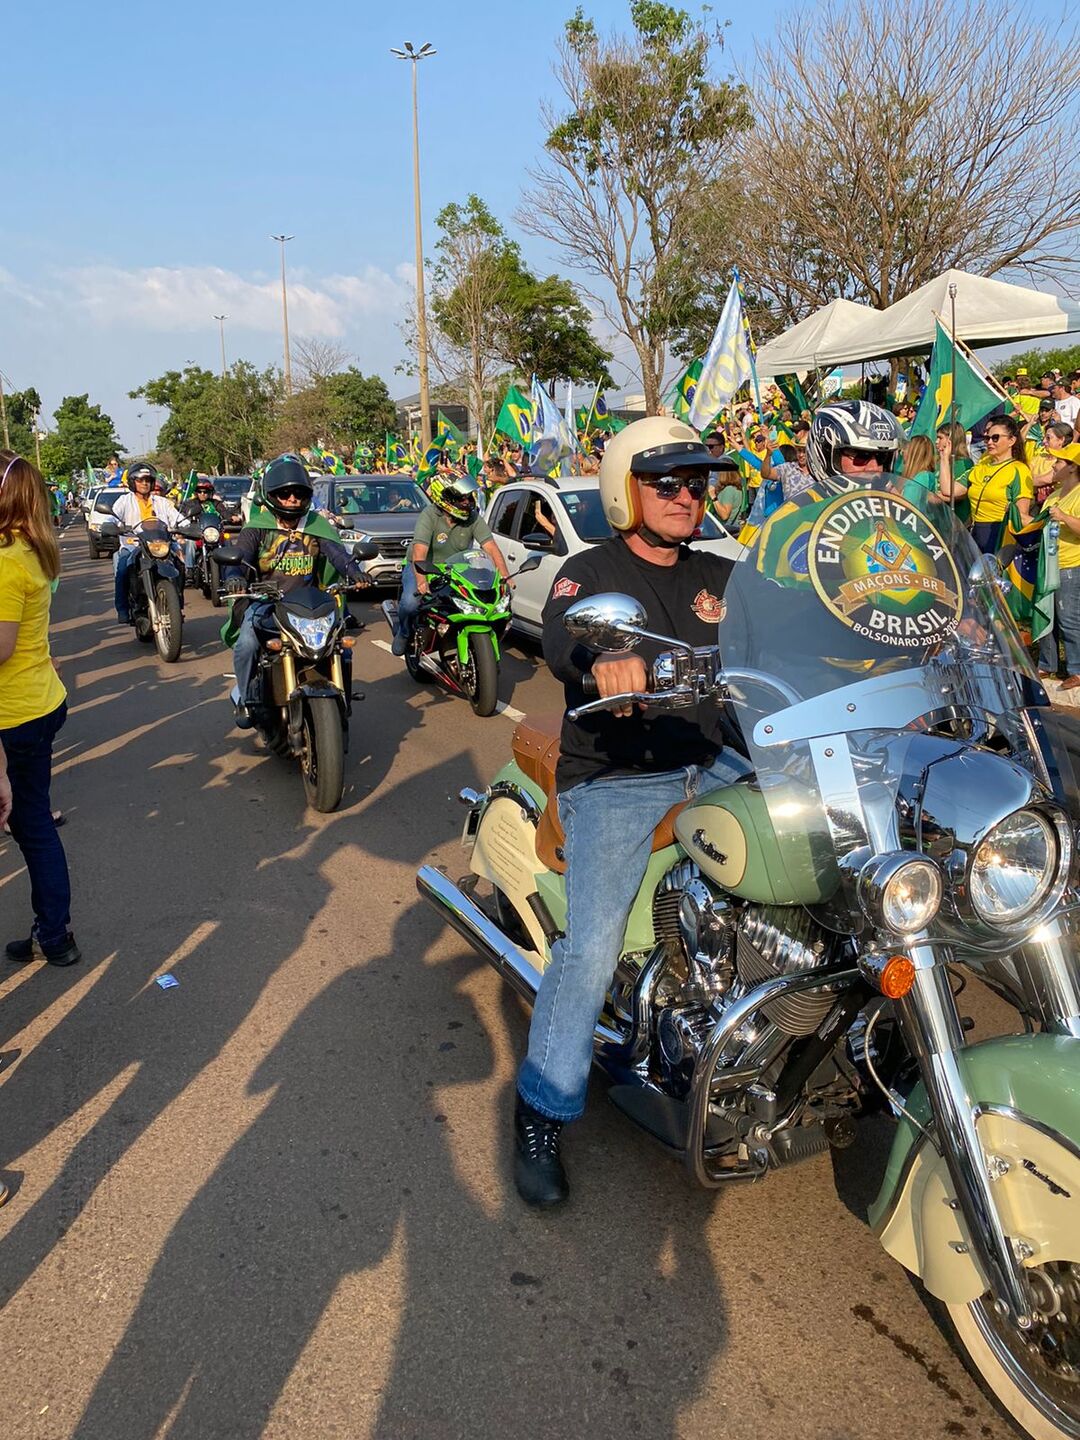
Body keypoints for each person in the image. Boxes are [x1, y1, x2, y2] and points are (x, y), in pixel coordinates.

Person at [513, 417, 752, 1208]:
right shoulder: (591, 570)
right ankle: (542, 1110)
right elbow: (562, 638)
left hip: (715, 762)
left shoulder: (723, 572)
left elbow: (794, 626)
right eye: (668, 482)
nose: (688, 495)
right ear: (627, 491)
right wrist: (601, 660)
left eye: (697, 481)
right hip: (618, 776)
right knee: (591, 946)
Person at [0, 450, 78, 972]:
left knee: (31, 826)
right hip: (41, 700)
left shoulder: (6, 560)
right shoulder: (32, 547)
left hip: (16, 713)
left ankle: (53, 933)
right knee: (33, 824)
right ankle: (52, 932)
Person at [222, 455, 368, 728]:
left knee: (341, 648)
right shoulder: (257, 528)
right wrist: (233, 578)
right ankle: (246, 697)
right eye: (284, 493)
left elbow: (337, 555)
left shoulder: (315, 526)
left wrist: (355, 572)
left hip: (309, 604)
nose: (292, 499)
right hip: (266, 603)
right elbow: (240, 558)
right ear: (271, 496)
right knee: (247, 644)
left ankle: (342, 703)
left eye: (299, 493)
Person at [391, 474, 512, 656]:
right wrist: (422, 581)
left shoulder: (473, 517)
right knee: (411, 602)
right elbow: (419, 552)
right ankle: (404, 632)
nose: (467, 502)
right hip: (424, 566)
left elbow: (491, 548)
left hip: (457, 568)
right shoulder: (429, 515)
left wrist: (504, 576)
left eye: (469, 497)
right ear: (445, 498)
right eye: (461, 498)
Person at [109, 464, 186, 624]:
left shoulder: (162, 502)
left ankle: (177, 605)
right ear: (132, 482)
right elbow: (112, 517)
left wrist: (188, 526)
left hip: (160, 543)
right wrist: (110, 525)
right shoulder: (124, 501)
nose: (145, 483)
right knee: (123, 568)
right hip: (133, 544)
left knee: (179, 564)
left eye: (148, 480)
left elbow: (177, 517)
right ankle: (123, 609)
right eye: (140, 480)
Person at [944, 414, 1032, 553]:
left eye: (995, 438)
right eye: (987, 438)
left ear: (1011, 440)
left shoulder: (1019, 470)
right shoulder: (982, 464)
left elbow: (1020, 516)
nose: (990, 442)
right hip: (974, 532)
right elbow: (949, 491)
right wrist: (944, 457)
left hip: (999, 535)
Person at [1038, 444, 1080, 688]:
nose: (1053, 464)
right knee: (1046, 614)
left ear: (1073, 467)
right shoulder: (1054, 495)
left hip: (1071, 564)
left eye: (1059, 461)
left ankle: (1076, 669)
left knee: (1069, 618)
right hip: (1049, 565)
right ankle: (1046, 664)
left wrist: (1064, 517)